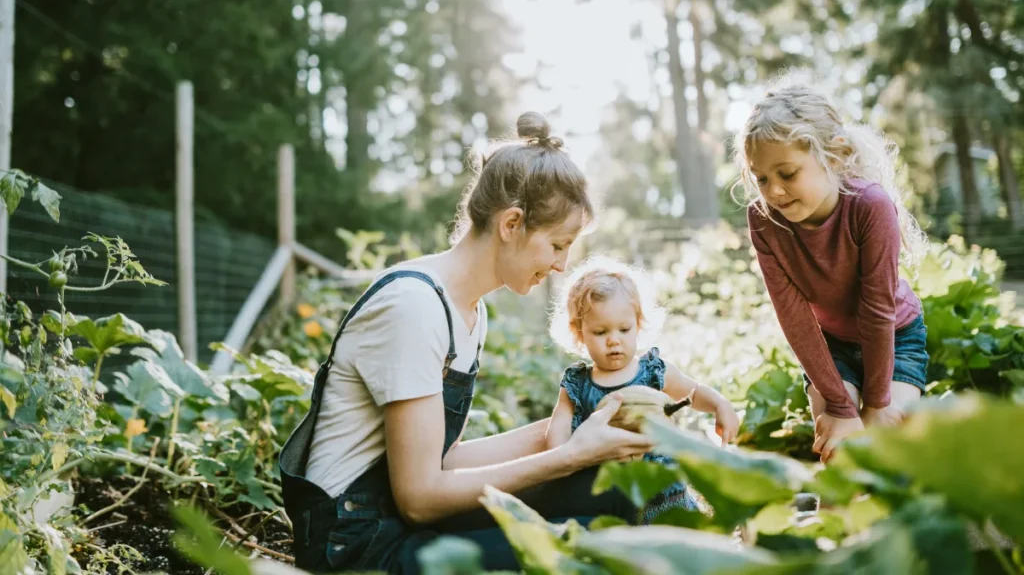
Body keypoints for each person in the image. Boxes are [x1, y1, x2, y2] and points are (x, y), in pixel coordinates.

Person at [279, 111, 655, 574]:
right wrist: (568, 456)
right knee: (590, 548)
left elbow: (443, 458)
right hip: (358, 549)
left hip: (401, 522)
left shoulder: (468, 310)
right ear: (511, 223)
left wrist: (570, 427)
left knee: (618, 487)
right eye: (558, 245)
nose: (561, 266)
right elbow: (419, 497)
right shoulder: (414, 306)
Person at [734, 79, 930, 464]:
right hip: (830, 347)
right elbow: (794, 318)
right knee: (840, 453)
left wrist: (875, 404)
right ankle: (832, 524)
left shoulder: (869, 207)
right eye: (761, 179)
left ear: (834, 157)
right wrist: (840, 408)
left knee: (885, 453)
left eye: (787, 174)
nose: (773, 191)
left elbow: (877, 312)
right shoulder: (764, 220)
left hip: (896, 336)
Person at [545, 255, 739, 523]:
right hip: (612, 496)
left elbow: (691, 391)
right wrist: (562, 460)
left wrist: (719, 404)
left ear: (638, 324)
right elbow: (558, 431)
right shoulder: (577, 384)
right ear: (579, 333)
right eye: (600, 333)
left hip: (666, 494)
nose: (614, 341)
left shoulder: (653, 372)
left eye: (624, 329)